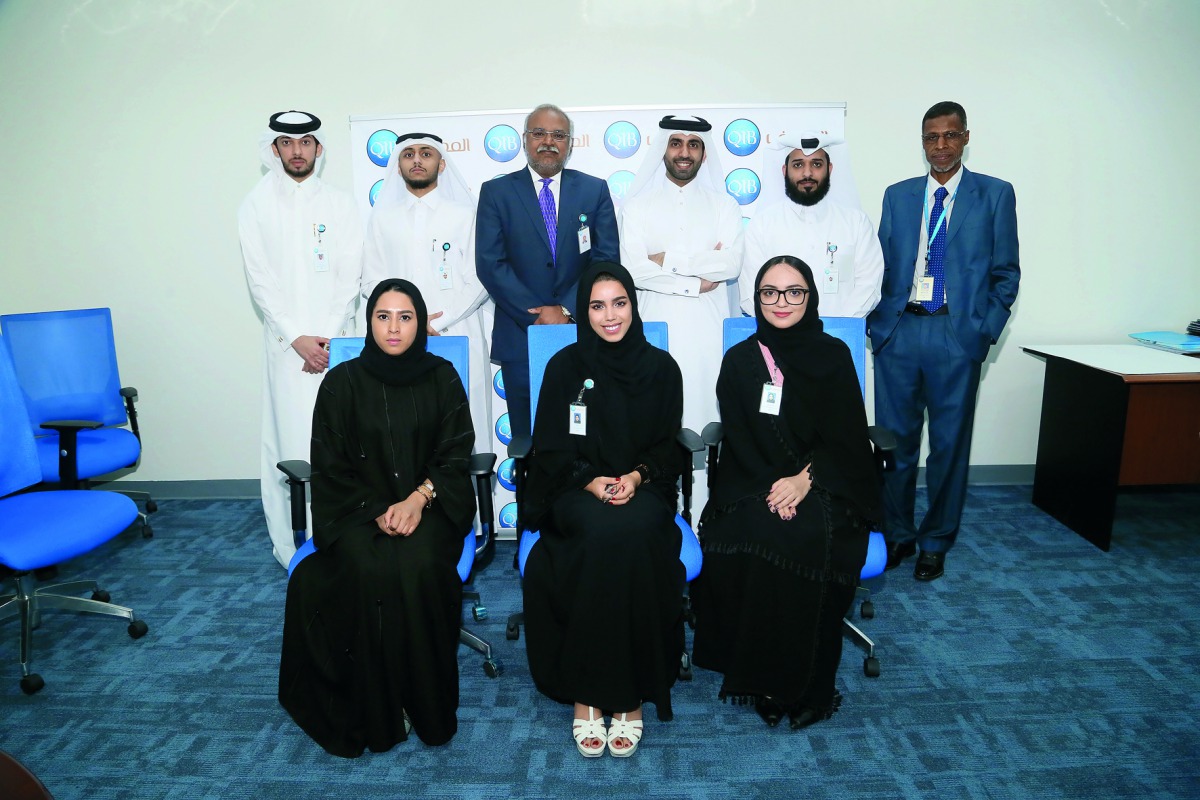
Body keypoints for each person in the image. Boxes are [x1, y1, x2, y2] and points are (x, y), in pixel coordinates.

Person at [278, 279, 476, 756]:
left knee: (419, 567)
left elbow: (453, 456)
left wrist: (416, 499)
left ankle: (422, 705)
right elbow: (330, 465)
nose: (393, 327)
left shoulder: (442, 376)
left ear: (420, 322)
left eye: (405, 317)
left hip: (430, 508)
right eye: (383, 316)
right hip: (355, 513)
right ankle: (377, 708)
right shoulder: (342, 382)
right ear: (368, 323)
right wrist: (376, 513)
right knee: (367, 569)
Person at [691, 255, 881, 730]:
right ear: (756, 299)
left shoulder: (833, 355)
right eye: (769, 293)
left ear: (810, 296)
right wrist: (776, 490)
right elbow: (740, 441)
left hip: (829, 481)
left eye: (793, 291)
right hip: (755, 481)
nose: (781, 302)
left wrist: (804, 481)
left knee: (810, 536)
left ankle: (813, 686)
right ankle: (767, 680)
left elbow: (848, 439)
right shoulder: (739, 361)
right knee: (760, 531)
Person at [521, 262, 687, 758]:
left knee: (633, 533)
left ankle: (631, 694)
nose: (609, 315)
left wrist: (634, 477)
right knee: (597, 533)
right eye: (597, 305)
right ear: (584, 311)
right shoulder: (564, 367)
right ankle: (589, 694)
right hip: (574, 488)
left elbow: (668, 449)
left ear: (634, 307)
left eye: (619, 303)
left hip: (643, 486)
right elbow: (549, 447)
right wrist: (590, 481)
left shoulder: (662, 368)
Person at [868, 101, 1020, 581]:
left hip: (956, 334)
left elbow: (1006, 273)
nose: (940, 146)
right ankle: (898, 536)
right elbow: (880, 267)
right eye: (931, 137)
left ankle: (936, 541)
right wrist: (878, 325)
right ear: (922, 141)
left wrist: (982, 331)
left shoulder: (994, 195)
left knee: (950, 446)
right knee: (894, 445)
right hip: (900, 331)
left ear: (965, 137)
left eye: (950, 136)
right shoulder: (898, 195)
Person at [238, 110, 363, 569]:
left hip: (336, 345)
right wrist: (297, 338)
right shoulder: (255, 205)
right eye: (287, 143)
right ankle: (293, 547)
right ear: (274, 149)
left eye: (306, 142)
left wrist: (326, 338)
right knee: (289, 444)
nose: (297, 151)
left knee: (340, 442)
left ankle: (341, 532)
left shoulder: (341, 204)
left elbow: (352, 275)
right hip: (286, 348)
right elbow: (260, 282)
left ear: (318, 148)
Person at [619, 115, 743, 510]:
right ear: (663, 150)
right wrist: (693, 278)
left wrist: (666, 259)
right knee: (656, 419)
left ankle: (707, 510)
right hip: (657, 329)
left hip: (707, 330)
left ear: (704, 154)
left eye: (693, 144)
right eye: (676, 143)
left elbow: (730, 266)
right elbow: (635, 269)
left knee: (706, 411)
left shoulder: (725, 204)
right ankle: (657, 508)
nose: (684, 152)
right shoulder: (637, 206)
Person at [475, 103, 620, 439]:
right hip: (520, 337)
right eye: (539, 133)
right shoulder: (496, 193)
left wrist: (567, 308)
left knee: (585, 438)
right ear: (525, 140)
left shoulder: (593, 189)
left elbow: (606, 259)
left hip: (582, 335)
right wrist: (537, 315)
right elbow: (490, 263)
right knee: (529, 442)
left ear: (570, 143)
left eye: (558, 135)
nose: (548, 142)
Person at [363, 132, 493, 445]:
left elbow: (481, 277)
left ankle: (474, 496)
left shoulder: (466, 215)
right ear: (397, 166)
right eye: (408, 154)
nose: (417, 160)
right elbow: (371, 281)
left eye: (426, 153)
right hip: (399, 340)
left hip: (457, 332)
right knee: (407, 429)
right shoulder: (383, 219)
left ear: (442, 163)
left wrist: (438, 320)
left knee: (465, 426)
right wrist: (408, 323)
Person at [740, 133, 883, 319]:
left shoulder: (857, 223)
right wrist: (784, 330)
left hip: (839, 339)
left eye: (816, 164)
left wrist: (833, 330)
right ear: (784, 170)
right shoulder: (762, 225)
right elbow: (750, 291)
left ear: (829, 169)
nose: (807, 173)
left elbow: (869, 285)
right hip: (779, 341)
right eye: (798, 165)